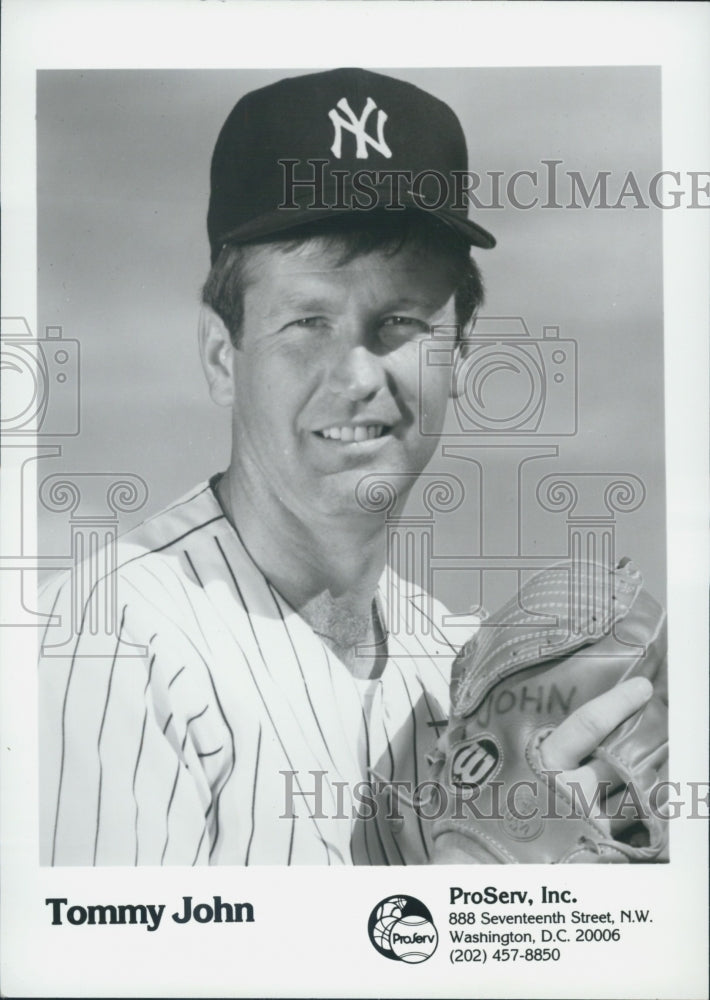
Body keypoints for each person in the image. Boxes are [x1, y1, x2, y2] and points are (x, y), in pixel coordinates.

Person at [38, 68, 656, 866]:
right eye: (307, 320)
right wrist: (471, 899)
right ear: (222, 354)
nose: (359, 373)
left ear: (460, 354)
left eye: (400, 319)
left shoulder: (464, 668)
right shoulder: (105, 646)